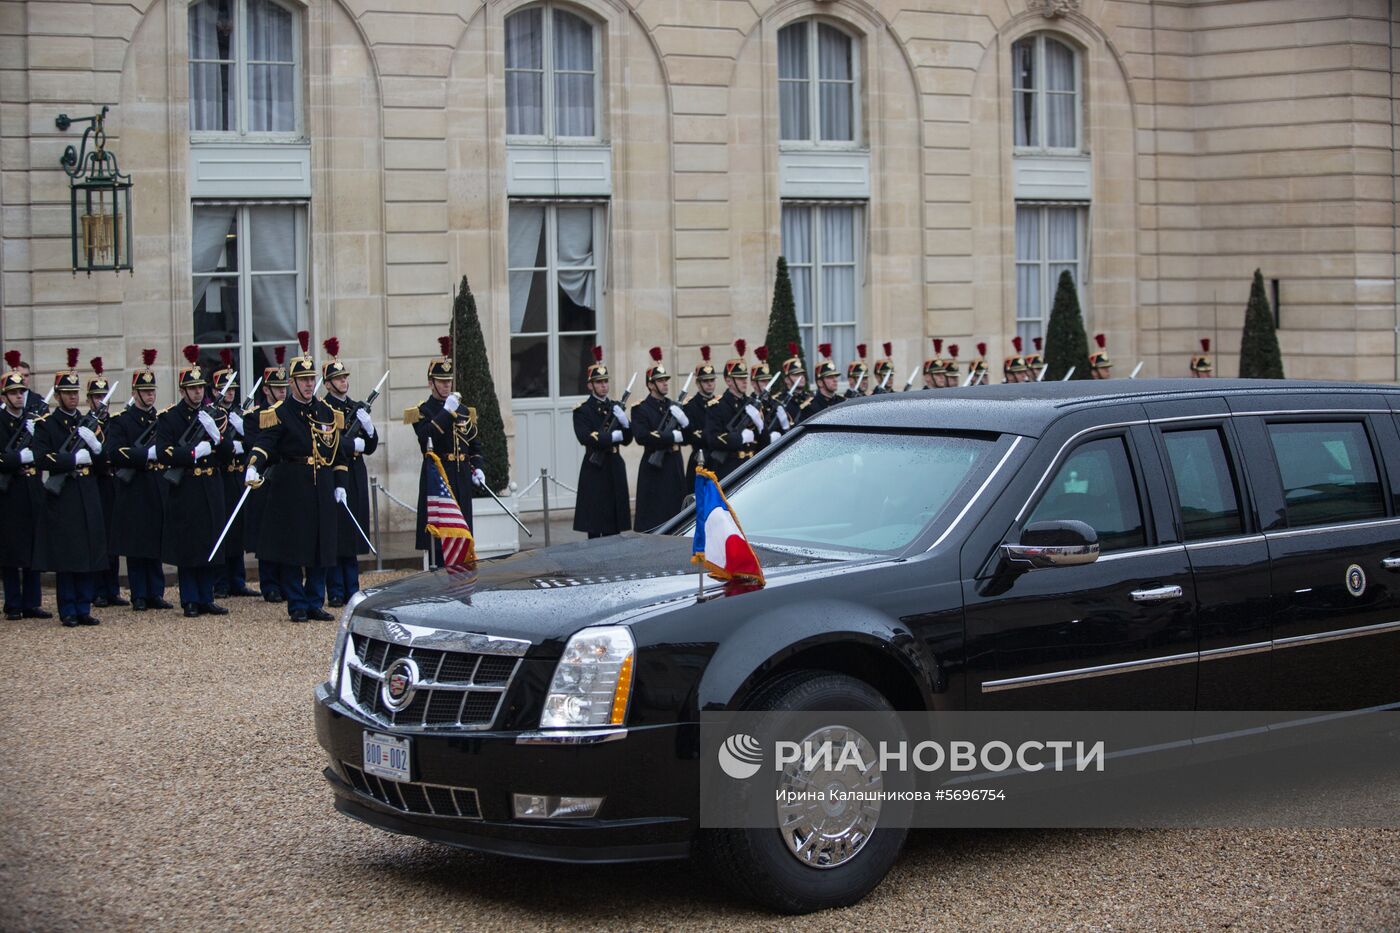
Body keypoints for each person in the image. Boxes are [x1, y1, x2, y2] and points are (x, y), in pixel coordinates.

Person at [245, 331, 348, 622]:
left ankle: (315, 600)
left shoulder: (327, 412)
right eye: (303, 380)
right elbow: (265, 444)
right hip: (292, 484)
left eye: (311, 380)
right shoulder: (280, 412)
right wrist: (254, 465)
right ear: (291, 383)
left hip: (322, 484)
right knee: (292, 548)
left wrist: (340, 484)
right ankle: (297, 603)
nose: (308, 385)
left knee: (321, 547)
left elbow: (338, 454)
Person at [33, 349, 108, 626]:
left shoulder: (87, 423)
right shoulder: (48, 425)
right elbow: (42, 457)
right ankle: (68, 608)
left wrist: (98, 449)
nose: (73, 396)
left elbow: (103, 464)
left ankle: (84, 605)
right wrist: (71, 459)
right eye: (67, 392)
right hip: (63, 494)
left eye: (75, 392)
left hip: (86, 491)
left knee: (88, 550)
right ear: (58, 394)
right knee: (68, 554)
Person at [157, 345, 232, 618]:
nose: (198, 392)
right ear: (182, 391)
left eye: (201, 387)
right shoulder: (170, 418)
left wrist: (217, 437)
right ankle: (190, 598)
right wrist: (190, 454)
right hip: (186, 486)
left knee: (210, 541)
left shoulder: (215, 415)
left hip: (210, 485)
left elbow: (227, 454)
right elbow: (163, 452)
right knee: (189, 544)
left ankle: (206, 596)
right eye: (193, 388)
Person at [407, 336, 485, 565]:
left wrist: (479, 468)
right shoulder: (422, 410)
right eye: (441, 381)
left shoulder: (463, 410)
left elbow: (474, 444)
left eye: (449, 381)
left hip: (460, 477)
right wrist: (445, 413)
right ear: (431, 382)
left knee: (462, 535)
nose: (446, 386)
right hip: (439, 479)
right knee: (440, 541)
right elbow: (425, 438)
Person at [106, 348, 170, 612]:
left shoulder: (160, 419)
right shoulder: (123, 421)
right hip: (134, 487)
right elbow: (115, 452)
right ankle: (139, 594)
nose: (150, 395)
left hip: (155, 485)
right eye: (145, 392)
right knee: (136, 544)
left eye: (152, 391)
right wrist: (144, 454)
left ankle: (155, 591)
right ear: (135, 393)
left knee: (154, 541)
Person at [321, 337, 378, 605]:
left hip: (355, 473)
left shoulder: (356, 407)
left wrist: (369, 430)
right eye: (339, 379)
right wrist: (349, 443)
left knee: (353, 530)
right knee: (336, 533)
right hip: (334, 473)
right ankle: (335, 590)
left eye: (345, 378)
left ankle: (352, 587)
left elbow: (372, 446)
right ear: (329, 383)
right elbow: (326, 440)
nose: (344, 382)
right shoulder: (323, 409)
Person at [0, 354, 49, 621]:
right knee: (11, 551)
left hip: (32, 489)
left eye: (21, 392)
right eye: (14, 393)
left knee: (33, 547)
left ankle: (32, 602)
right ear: (5, 397)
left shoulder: (32, 422)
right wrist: (19, 458)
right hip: (10, 493)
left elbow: (45, 451)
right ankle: (13, 603)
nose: (19, 396)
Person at [209, 350, 257, 599]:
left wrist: (244, 434)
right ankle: (220, 581)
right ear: (215, 390)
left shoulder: (241, 414)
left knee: (237, 529)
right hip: (220, 476)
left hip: (239, 476)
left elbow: (257, 441)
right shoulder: (210, 414)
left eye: (232, 389)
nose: (230, 393)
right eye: (225, 389)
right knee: (221, 528)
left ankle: (237, 579)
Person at [573, 346, 632, 537]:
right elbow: (585, 437)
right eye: (599, 383)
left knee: (614, 522)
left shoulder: (615, 407)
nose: (604, 386)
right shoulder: (583, 410)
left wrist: (625, 423)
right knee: (595, 520)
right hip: (596, 467)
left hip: (614, 465)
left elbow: (629, 439)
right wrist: (612, 437)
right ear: (590, 385)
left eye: (606, 382)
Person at [84, 358, 127, 608]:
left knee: (113, 537)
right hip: (95, 483)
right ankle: (97, 589)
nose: (102, 401)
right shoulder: (84, 424)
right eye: (97, 397)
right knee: (97, 537)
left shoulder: (115, 423)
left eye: (104, 397)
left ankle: (112, 588)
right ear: (89, 400)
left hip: (114, 482)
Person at [247, 349, 288, 603]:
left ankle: (286, 581)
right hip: (266, 479)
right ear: (266, 390)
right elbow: (258, 445)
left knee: (287, 532)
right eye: (277, 388)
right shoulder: (254, 417)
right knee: (266, 534)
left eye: (284, 387)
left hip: (286, 479)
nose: (282, 392)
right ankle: (269, 583)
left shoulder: (291, 413)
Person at [631, 347, 687, 532]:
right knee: (654, 514)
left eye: (665, 380)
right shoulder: (641, 409)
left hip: (674, 464)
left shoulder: (674, 406)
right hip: (654, 466)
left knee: (676, 509)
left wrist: (686, 424)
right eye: (660, 381)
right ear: (650, 385)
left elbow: (689, 436)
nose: (664, 384)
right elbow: (642, 436)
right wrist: (671, 436)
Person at [703, 339, 763, 481]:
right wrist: (739, 438)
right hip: (728, 469)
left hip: (751, 466)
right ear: (728, 380)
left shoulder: (751, 405)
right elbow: (712, 438)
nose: (744, 381)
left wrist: (761, 427)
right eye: (739, 378)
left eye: (745, 377)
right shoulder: (717, 406)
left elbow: (764, 442)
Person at [682, 346, 716, 486]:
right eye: (705, 381)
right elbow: (691, 435)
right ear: (698, 383)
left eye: (712, 380)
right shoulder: (690, 406)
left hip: (717, 460)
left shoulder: (719, 403)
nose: (710, 384)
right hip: (700, 459)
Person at [800, 343, 844, 421]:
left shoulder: (842, 402)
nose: (835, 380)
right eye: (830, 377)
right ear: (820, 382)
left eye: (835, 376)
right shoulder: (810, 407)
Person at [778, 342, 810, 422]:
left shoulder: (810, 398)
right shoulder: (780, 401)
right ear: (787, 380)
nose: (801, 377)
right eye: (796, 375)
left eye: (802, 374)